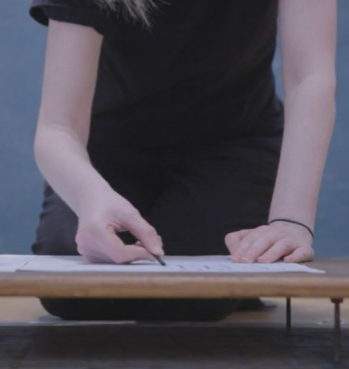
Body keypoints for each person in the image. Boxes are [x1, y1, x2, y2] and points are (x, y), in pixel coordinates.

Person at [29, 0, 336, 321]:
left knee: (193, 296)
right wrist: (90, 196)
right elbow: (57, 128)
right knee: (69, 293)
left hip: (233, 145)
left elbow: (309, 79)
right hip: (106, 149)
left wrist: (290, 222)